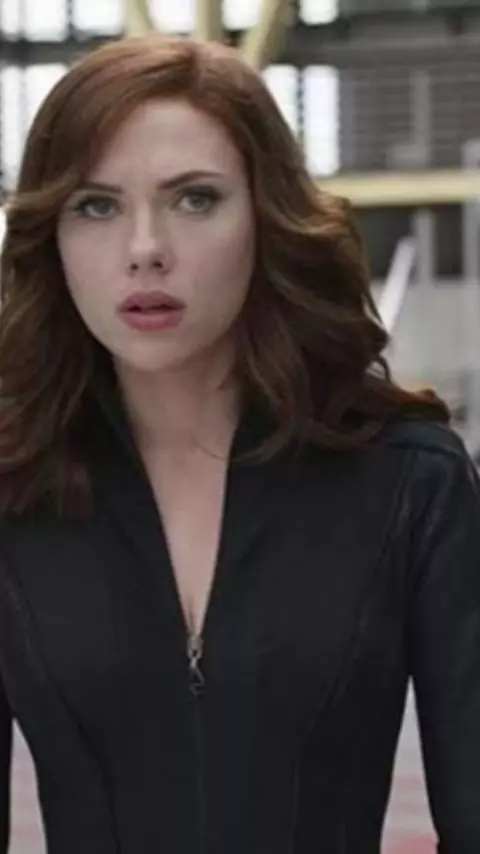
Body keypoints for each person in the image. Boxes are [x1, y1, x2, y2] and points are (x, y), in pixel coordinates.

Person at [0, 34, 479, 854]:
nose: (145, 248)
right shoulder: (14, 488)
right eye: (97, 205)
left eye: (195, 199)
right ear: (54, 239)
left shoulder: (410, 484)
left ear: (267, 219)